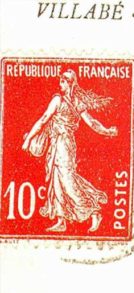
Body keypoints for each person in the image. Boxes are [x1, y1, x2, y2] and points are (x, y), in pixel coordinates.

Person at [21, 70, 118, 233]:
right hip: (57, 143)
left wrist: (28, 139)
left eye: (63, 80)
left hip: (64, 144)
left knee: (67, 179)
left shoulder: (61, 101)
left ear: (70, 83)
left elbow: (45, 119)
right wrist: (107, 131)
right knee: (56, 179)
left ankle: (93, 211)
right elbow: (45, 119)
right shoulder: (67, 100)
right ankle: (61, 220)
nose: (60, 83)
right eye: (61, 80)